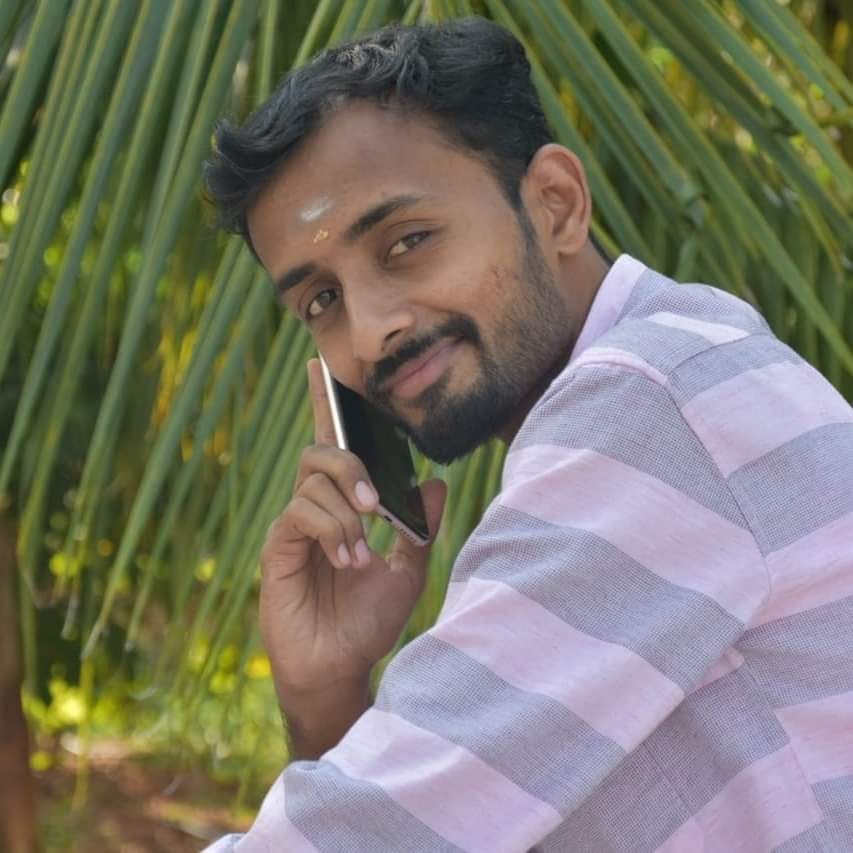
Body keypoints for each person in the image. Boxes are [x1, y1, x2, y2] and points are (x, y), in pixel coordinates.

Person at [202, 17, 853, 852]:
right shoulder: (678, 371)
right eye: (320, 301)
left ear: (555, 204)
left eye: (405, 242)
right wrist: (325, 693)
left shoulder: (648, 404)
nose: (367, 333)